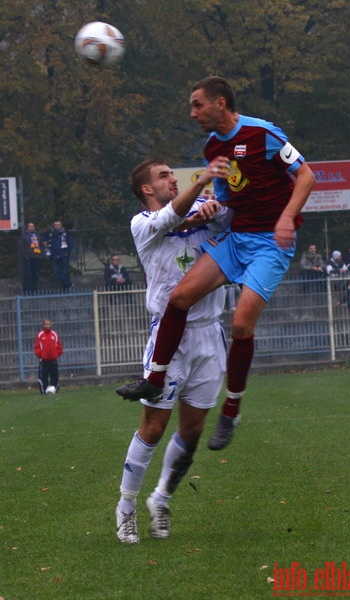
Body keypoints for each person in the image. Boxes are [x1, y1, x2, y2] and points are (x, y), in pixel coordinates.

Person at [116, 75, 315, 451]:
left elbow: (306, 175)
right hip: (236, 237)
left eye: (197, 105)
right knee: (179, 297)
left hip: (270, 243)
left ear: (220, 103)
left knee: (241, 325)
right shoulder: (213, 148)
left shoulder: (262, 133)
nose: (193, 113)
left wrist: (288, 217)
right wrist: (211, 210)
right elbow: (227, 200)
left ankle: (231, 411)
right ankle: (155, 380)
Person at [115, 157, 232, 543]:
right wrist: (200, 186)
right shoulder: (142, 224)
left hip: (209, 334)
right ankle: (126, 508)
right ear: (148, 189)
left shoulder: (199, 209)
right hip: (170, 338)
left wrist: (218, 212)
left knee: (194, 428)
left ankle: (161, 499)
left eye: (171, 174)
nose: (171, 180)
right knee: (153, 427)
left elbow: (233, 224)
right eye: (163, 176)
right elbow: (171, 218)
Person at [34, 319, 63, 394]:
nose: (47, 326)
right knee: (43, 377)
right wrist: (41, 355)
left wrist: (56, 355)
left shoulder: (54, 334)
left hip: (53, 360)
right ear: (43, 325)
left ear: (51, 325)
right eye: (45, 324)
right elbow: (37, 347)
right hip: (44, 360)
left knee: (55, 376)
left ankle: (54, 389)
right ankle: (43, 391)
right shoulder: (40, 335)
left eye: (48, 324)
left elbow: (59, 346)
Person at [42, 220, 74, 289]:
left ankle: (66, 288)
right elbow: (43, 236)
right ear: (53, 225)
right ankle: (68, 284)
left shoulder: (65, 233)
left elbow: (71, 243)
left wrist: (66, 252)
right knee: (56, 272)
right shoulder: (50, 233)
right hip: (54, 255)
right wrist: (44, 242)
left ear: (61, 225)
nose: (57, 226)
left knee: (65, 271)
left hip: (64, 255)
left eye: (58, 224)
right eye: (55, 225)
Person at [20, 222, 43, 293]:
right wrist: (25, 256)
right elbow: (21, 247)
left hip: (36, 257)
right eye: (30, 226)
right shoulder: (24, 236)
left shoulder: (37, 236)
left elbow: (41, 245)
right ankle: (26, 290)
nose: (31, 228)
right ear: (27, 228)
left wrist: (41, 255)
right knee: (27, 274)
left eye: (32, 226)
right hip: (28, 258)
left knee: (35, 274)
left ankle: (34, 289)